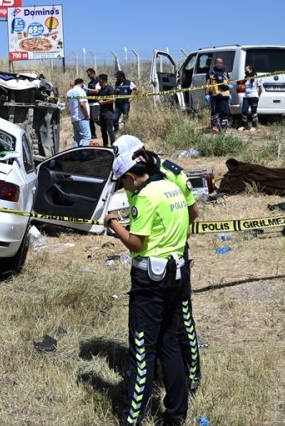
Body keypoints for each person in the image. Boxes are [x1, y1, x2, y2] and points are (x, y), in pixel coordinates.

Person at [104, 151, 191, 426]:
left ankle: (132, 418)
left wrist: (113, 223)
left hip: (150, 282)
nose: (123, 188)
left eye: (122, 182)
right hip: (176, 274)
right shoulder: (170, 188)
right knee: (170, 346)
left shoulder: (146, 197)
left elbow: (136, 243)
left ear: (131, 176)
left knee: (142, 351)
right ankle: (176, 415)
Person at [113, 134, 202, 394]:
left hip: (170, 255)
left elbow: (193, 211)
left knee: (181, 320)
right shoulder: (133, 176)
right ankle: (152, 376)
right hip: (149, 256)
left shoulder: (168, 173)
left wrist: (176, 242)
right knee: (156, 331)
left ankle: (192, 373)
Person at [206, 57, 232, 132]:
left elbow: (228, 82)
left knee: (223, 112)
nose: (219, 64)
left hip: (224, 95)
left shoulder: (225, 73)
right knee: (214, 111)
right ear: (215, 63)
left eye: (221, 63)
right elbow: (207, 84)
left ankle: (222, 126)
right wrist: (206, 94)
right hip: (214, 94)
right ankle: (215, 126)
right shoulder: (211, 72)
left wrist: (229, 92)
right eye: (218, 62)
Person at [66, 78, 91, 148]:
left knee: (77, 138)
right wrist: (87, 115)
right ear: (82, 83)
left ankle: (76, 155)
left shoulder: (69, 92)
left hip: (74, 118)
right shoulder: (81, 91)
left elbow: (69, 105)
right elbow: (82, 104)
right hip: (81, 118)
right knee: (87, 137)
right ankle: (84, 155)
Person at [239, 64, 263, 131]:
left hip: (254, 97)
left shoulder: (256, 78)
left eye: (246, 70)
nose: (245, 71)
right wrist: (241, 87)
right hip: (246, 97)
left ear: (251, 70)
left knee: (253, 112)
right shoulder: (246, 78)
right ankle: (244, 125)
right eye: (245, 70)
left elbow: (260, 89)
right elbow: (244, 87)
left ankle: (254, 126)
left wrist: (258, 96)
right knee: (244, 111)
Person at [95, 73, 117, 147]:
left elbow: (113, 99)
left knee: (110, 130)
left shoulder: (109, 88)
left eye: (99, 80)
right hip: (102, 113)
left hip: (108, 113)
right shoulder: (101, 90)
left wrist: (103, 102)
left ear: (102, 80)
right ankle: (105, 145)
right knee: (103, 130)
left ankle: (113, 145)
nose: (98, 82)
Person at [85, 68, 100, 141]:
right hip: (89, 103)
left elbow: (97, 91)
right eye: (88, 75)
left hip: (96, 103)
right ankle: (93, 135)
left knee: (95, 118)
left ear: (93, 73)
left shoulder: (98, 81)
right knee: (90, 120)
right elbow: (89, 92)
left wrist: (88, 90)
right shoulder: (90, 83)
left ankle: (105, 126)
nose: (89, 76)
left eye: (89, 74)